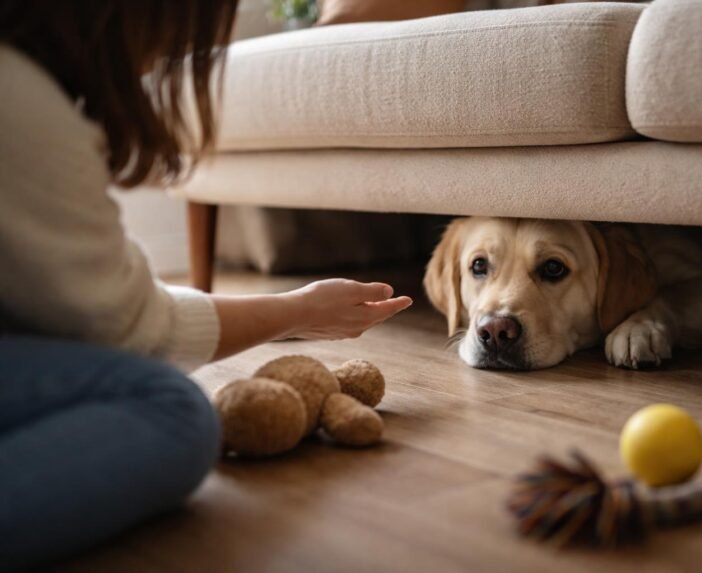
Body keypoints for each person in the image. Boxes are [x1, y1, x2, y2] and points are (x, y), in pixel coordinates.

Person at [0, 2, 412, 569]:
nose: (169, 54)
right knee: (172, 408)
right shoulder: (21, 104)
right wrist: (294, 310)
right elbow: (133, 331)